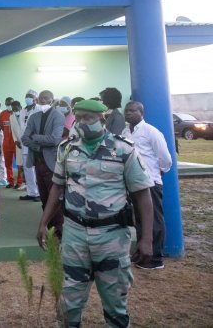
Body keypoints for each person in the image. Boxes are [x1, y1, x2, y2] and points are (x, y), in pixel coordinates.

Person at [37, 99, 154, 328]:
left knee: (115, 301)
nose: (82, 122)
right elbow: (57, 188)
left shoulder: (123, 149)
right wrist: (44, 223)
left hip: (111, 236)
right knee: (69, 300)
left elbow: (143, 195)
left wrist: (147, 238)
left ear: (102, 119)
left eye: (88, 118)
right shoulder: (67, 148)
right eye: (79, 118)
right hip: (75, 234)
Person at [124, 100, 173, 270]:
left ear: (141, 113)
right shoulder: (125, 132)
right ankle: (142, 252)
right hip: (133, 182)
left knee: (154, 220)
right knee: (140, 218)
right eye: (126, 110)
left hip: (150, 182)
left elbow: (165, 158)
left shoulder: (151, 132)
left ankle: (156, 258)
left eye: (132, 111)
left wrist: (159, 172)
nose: (128, 113)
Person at [21, 90, 65, 239]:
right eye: (41, 98)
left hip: (51, 164)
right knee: (45, 199)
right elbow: (24, 138)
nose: (43, 101)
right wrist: (39, 146)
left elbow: (54, 139)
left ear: (52, 100)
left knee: (55, 200)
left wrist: (35, 137)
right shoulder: (34, 116)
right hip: (38, 162)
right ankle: (49, 229)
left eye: (46, 98)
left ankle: (59, 232)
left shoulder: (58, 116)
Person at [18, 90, 41, 202]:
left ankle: (39, 193)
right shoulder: (23, 110)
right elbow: (21, 127)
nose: (27, 98)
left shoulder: (39, 109)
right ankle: (31, 192)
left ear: (35, 98)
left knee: (37, 169)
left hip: (35, 143)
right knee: (27, 169)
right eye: (26, 96)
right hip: (24, 143)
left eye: (30, 96)